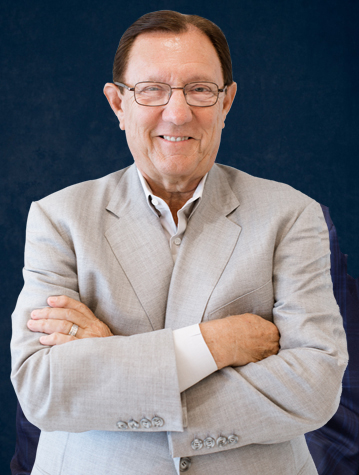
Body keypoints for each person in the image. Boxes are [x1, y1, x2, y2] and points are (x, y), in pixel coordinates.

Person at [10, 10, 348, 475]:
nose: (178, 112)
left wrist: (113, 362)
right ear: (117, 104)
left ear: (226, 102)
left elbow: (315, 386)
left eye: (199, 89)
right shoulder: (59, 217)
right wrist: (213, 344)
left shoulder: (291, 216)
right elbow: (42, 388)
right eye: (152, 89)